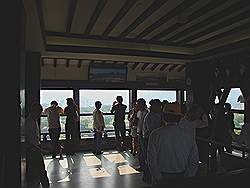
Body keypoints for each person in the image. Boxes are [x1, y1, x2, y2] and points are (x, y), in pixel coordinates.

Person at [147, 109, 199, 186]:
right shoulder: (188, 134)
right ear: (180, 118)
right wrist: (189, 175)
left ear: (164, 117)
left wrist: (157, 177)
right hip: (182, 175)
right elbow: (194, 158)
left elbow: (151, 159)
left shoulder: (155, 134)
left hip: (161, 174)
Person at [25, 102, 50, 188]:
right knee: (41, 171)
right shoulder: (29, 123)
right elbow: (30, 141)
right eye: (39, 113)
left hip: (35, 149)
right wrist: (41, 150)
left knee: (39, 172)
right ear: (34, 111)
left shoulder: (32, 121)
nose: (40, 115)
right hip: (33, 150)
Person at [142, 99, 163, 184]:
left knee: (152, 158)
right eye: (158, 106)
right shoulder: (150, 116)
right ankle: (148, 177)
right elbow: (152, 130)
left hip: (152, 138)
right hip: (149, 139)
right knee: (150, 158)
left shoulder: (154, 114)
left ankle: (149, 176)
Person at [135, 98, 148, 171]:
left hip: (144, 135)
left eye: (138, 104)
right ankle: (142, 166)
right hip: (139, 133)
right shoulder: (138, 112)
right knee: (140, 152)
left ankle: (145, 167)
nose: (137, 106)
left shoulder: (146, 113)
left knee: (144, 152)